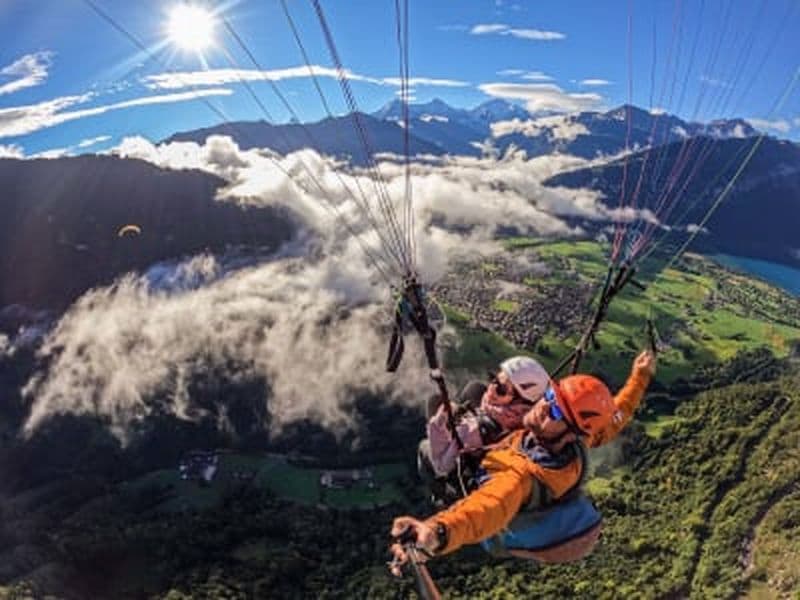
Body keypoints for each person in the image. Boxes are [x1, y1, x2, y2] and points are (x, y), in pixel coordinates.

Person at [390, 350, 657, 573]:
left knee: (426, 449)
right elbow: (615, 417)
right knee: (475, 392)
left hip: (470, 487)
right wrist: (640, 376)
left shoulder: (520, 477)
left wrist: (436, 533)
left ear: (569, 432)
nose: (543, 406)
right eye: (550, 396)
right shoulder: (575, 441)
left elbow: (487, 507)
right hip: (504, 456)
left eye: (555, 411)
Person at [418, 356, 550, 504]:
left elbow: (441, 465)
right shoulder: (537, 421)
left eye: (501, 390)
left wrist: (438, 425)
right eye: (494, 379)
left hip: (466, 467)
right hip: (493, 438)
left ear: (520, 401)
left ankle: (442, 497)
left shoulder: (472, 433)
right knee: (474, 389)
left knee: (424, 447)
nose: (491, 388)